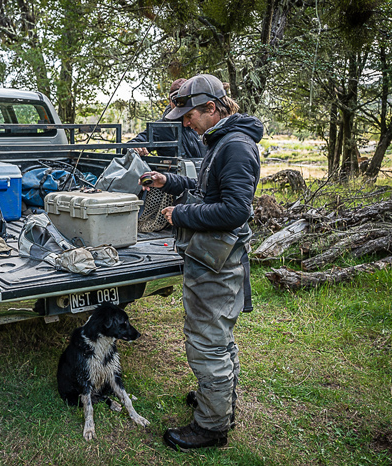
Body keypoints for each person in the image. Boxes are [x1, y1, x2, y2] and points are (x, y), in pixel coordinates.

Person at [140, 74, 262, 450]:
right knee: (219, 338)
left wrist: (182, 216)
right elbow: (205, 186)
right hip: (211, 258)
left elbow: (234, 209)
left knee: (207, 341)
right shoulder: (221, 140)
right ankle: (218, 401)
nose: (184, 123)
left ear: (211, 108)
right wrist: (167, 181)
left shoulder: (236, 146)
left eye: (188, 115)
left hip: (216, 263)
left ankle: (211, 426)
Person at [128, 78, 206, 159]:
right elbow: (132, 145)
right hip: (174, 171)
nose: (180, 104)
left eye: (184, 99)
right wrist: (136, 147)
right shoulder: (162, 127)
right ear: (170, 101)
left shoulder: (202, 121)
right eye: (176, 100)